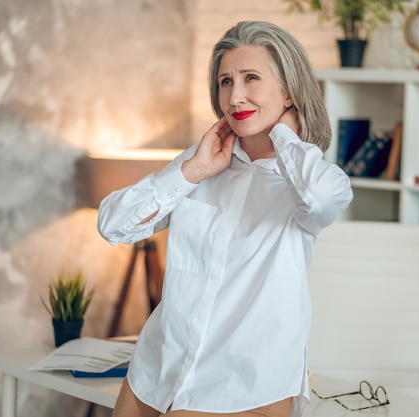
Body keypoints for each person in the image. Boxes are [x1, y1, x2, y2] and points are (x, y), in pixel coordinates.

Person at [97, 20, 353, 417]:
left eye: (251, 79)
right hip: (154, 376)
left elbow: (321, 198)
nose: (236, 97)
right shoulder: (200, 164)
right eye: (225, 82)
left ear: (288, 92)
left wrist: (285, 136)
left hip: (242, 389)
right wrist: (190, 172)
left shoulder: (308, 183)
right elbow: (112, 224)